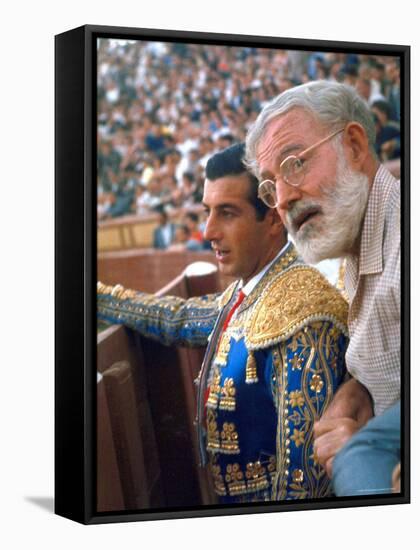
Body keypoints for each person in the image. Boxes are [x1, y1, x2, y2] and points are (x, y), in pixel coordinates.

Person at [97, 143, 349, 503]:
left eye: (227, 213)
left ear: (275, 217)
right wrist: (100, 297)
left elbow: (304, 483)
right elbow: (180, 318)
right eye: (208, 211)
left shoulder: (302, 313)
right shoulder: (256, 287)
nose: (209, 230)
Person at [245, 80, 401, 496]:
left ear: (353, 145)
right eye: (269, 184)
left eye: (295, 163)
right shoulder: (354, 242)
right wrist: (359, 389)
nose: (282, 198)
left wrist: (371, 458)